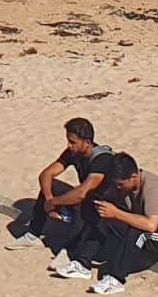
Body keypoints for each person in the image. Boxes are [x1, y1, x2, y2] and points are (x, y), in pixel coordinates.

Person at [18, 117, 116, 280]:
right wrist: (49, 198)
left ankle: (69, 250)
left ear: (87, 142)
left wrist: (54, 202)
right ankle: (34, 234)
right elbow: (46, 174)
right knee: (49, 187)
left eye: (73, 142)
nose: (69, 146)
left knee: (80, 201)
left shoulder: (102, 160)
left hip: (103, 207)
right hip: (84, 198)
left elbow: (82, 193)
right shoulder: (73, 153)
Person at [84, 153, 158, 292]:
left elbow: (150, 225)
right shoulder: (125, 186)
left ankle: (116, 279)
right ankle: (82, 261)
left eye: (120, 184)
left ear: (133, 177)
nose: (118, 188)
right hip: (147, 229)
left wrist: (117, 213)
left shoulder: (152, 188)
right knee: (104, 214)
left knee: (138, 230)